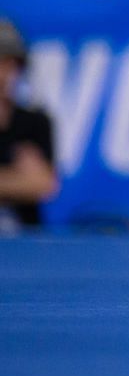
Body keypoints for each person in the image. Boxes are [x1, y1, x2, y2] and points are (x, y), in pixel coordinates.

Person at [0, 17, 58, 230]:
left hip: (26, 241)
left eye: (8, 63)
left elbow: (44, 184)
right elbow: (32, 182)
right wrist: (18, 179)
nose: (2, 72)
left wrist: (32, 182)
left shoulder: (35, 122)